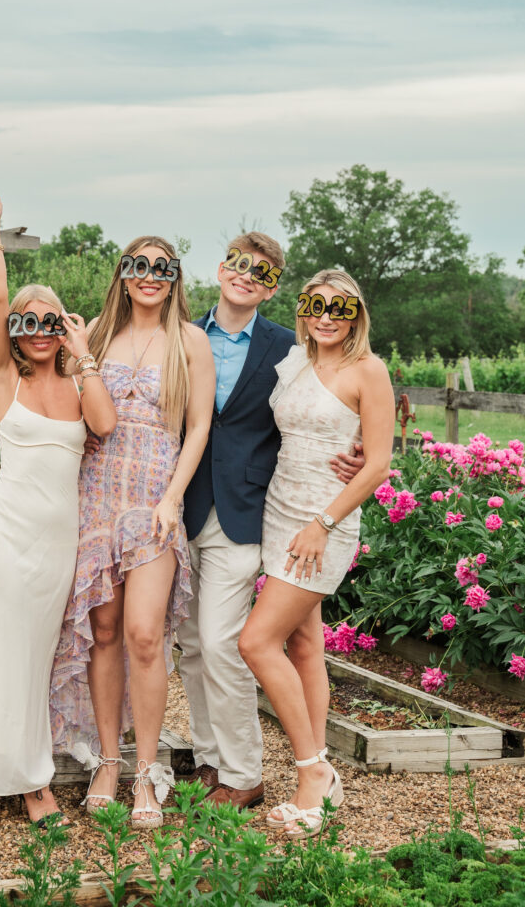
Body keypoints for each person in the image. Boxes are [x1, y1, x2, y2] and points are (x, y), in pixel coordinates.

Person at [0, 189, 117, 827]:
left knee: (31, 658)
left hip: (55, 545)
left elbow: (104, 423)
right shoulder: (2, 379)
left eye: (51, 321)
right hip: (2, 535)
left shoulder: (77, 382)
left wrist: (84, 352)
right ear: (14, 332)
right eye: (29, 322)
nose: (39, 331)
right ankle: (31, 783)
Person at [179, 233, 365, 810]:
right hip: (180, 506)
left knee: (225, 641)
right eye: (238, 265)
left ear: (274, 286)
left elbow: (336, 404)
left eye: (261, 272)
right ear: (220, 268)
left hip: (249, 512)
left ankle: (244, 772)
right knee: (190, 644)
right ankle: (210, 759)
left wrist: (355, 450)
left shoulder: (291, 348)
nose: (246, 276)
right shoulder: (181, 335)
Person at [49, 236, 215, 829]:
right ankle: (108, 762)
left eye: (160, 267)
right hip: (95, 496)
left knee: (146, 635)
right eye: (137, 265)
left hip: (152, 504)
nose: (149, 276)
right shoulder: (95, 332)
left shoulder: (190, 341)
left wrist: (173, 497)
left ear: (174, 278)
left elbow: (197, 430)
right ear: (122, 273)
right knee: (104, 629)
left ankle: (148, 769)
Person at [238, 269, 394, 836]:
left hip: (323, 523)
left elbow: (376, 462)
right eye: (316, 304)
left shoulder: (368, 371)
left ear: (356, 314)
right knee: (304, 643)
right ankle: (321, 769)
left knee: (256, 642)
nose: (327, 315)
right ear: (304, 307)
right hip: (279, 509)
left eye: (339, 307)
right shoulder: (295, 360)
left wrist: (323, 523)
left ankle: (313, 772)